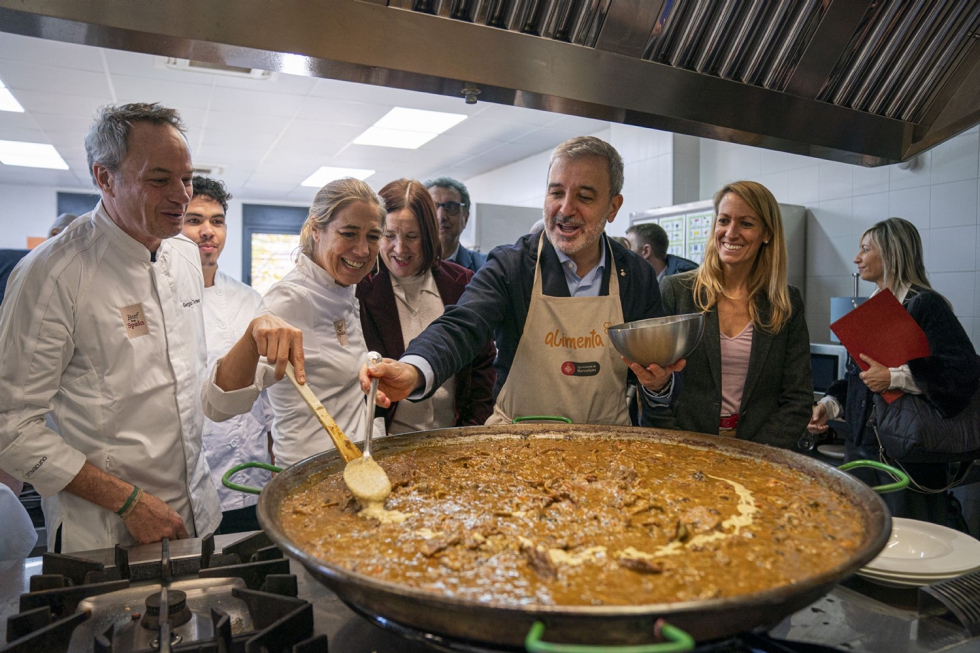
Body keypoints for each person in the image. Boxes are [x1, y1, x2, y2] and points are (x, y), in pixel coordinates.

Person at [0, 103, 227, 552]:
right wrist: (130, 503)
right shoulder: (53, 273)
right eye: (159, 180)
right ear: (105, 178)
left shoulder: (182, 255)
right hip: (107, 532)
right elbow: (11, 426)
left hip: (197, 513)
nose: (182, 196)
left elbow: (187, 382)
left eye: (187, 178)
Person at [362, 136, 684, 426]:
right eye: (556, 192)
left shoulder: (635, 275)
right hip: (518, 446)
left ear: (613, 206)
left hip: (606, 447)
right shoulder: (512, 265)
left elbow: (652, 375)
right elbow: (462, 325)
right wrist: (415, 369)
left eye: (584, 197)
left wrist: (657, 384)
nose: (565, 208)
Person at [809, 217, 980, 527]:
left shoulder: (926, 305)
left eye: (864, 249)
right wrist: (829, 405)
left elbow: (963, 373)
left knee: (908, 543)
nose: (856, 258)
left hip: (910, 456)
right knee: (861, 534)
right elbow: (857, 379)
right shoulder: (869, 309)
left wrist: (895, 377)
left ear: (890, 253)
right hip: (863, 449)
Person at [204, 178, 385, 468]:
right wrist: (252, 338)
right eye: (349, 233)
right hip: (310, 471)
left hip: (355, 462)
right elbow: (218, 406)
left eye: (373, 236)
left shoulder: (345, 287)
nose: (363, 250)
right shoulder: (289, 299)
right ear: (316, 229)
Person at [654, 181, 812, 448]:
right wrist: (680, 446)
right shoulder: (677, 291)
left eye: (746, 223)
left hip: (759, 449)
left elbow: (797, 398)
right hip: (683, 446)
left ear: (767, 234)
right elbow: (655, 384)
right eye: (724, 220)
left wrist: (756, 455)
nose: (731, 232)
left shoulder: (785, 302)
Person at [357, 179, 495, 433]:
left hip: (454, 438)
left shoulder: (462, 282)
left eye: (412, 236)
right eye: (389, 235)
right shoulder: (361, 290)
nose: (400, 248)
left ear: (429, 235)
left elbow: (482, 366)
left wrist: (469, 430)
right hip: (386, 442)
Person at [181, 176, 274, 534]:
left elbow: (266, 397)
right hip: (194, 483)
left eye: (217, 221)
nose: (208, 231)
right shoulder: (159, 298)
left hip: (254, 475)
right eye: (195, 220)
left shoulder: (249, 299)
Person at [425, 176, 486, 273]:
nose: (441, 217)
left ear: (465, 218)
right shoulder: (404, 266)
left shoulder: (486, 268)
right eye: (432, 208)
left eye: (451, 207)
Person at [627, 222, 698, 282]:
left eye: (628, 248)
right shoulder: (642, 279)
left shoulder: (685, 278)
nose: (624, 254)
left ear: (646, 251)